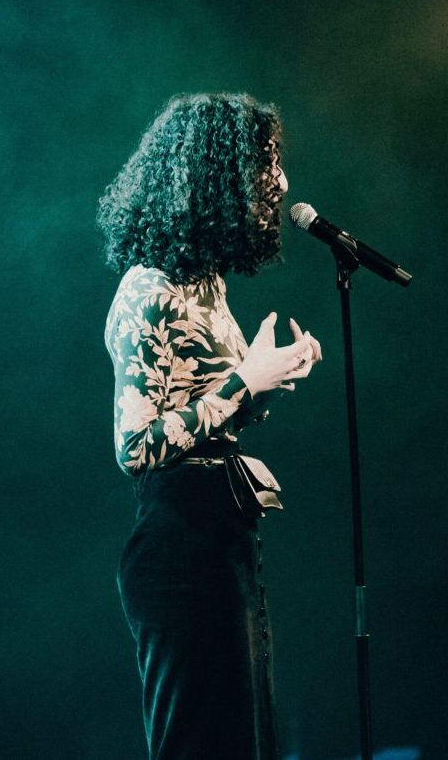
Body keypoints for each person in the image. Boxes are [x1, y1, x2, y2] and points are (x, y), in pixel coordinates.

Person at [98, 93, 323, 759]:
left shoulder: (206, 285)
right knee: (201, 741)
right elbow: (136, 446)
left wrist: (263, 380)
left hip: (222, 529)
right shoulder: (151, 288)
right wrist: (241, 382)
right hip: (178, 540)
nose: (279, 183)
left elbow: (205, 413)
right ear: (213, 175)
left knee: (245, 739)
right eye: (263, 165)